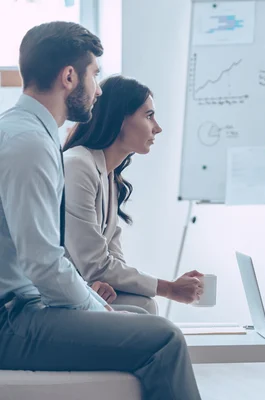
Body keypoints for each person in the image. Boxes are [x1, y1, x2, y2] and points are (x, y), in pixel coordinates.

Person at [0, 21, 202, 400]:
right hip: (12, 318)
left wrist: (95, 305)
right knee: (165, 338)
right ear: (70, 77)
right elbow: (43, 263)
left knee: (144, 317)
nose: (97, 89)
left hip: (23, 306)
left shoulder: (24, 132)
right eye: (95, 75)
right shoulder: (29, 143)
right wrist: (99, 310)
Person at [63, 75, 204, 315]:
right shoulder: (77, 165)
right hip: (55, 296)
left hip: (84, 288)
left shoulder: (110, 177)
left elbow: (112, 256)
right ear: (119, 119)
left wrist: (107, 284)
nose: (157, 128)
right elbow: (95, 265)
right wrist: (170, 288)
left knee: (145, 305)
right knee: (146, 311)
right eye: (149, 116)